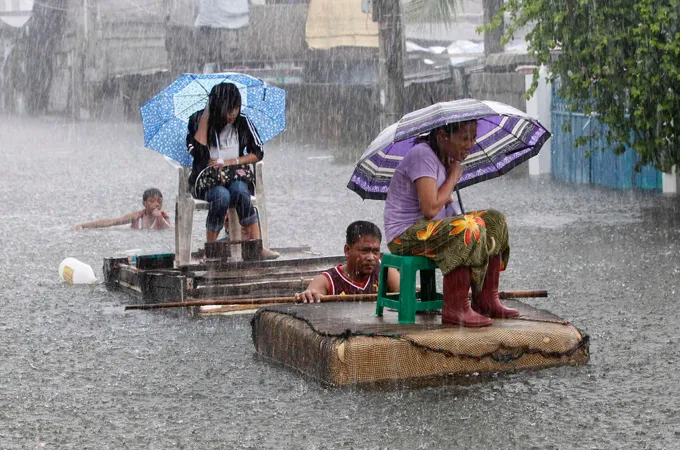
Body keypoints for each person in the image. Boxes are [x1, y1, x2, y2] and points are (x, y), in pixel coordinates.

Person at [383, 121, 520, 327]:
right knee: (466, 227)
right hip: (405, 235)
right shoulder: (422, 155)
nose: (470, 144)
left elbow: (444, 204)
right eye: (464, 138)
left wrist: (450, 176)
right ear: (441, 136)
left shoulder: (445, 158)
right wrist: (454, 177)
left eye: (473, 137)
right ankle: (455, 308)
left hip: (432, 230)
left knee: (494, 220)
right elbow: (430, 209)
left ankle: (486, 299)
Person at [186, 82, 279, 260]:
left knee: (240, 192)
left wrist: (231, 161)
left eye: (235, 107)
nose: (232, 113)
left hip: (235, 177)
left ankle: (256, 246)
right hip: (208, 181)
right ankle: (212, 250)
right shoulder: (197, 120)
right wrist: (206, 118)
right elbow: (198, 154)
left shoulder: (242, 122)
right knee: (222, 197)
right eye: (228, 109)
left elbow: (258, 153)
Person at [295, 221, 400, 303]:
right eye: (365, 250)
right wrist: (307, 296)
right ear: (347, 250)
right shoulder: (327, 281)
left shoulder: (385, 270)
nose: (371, 257)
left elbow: (406, 294)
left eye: (376, 251)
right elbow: (311, 294)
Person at [72, 188, 171, 231]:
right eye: (152, 201)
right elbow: (112, 222)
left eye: (159, 201)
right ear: (144, 203)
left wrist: (159, 218)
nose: (156, 204)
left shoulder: (164, 217)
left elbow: (169, 230)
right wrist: (84, 226)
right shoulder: (137, 216)